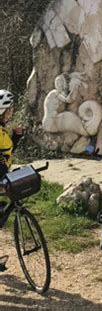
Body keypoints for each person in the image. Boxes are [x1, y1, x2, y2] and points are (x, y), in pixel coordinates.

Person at [0, 89, 23, 271]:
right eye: (9, 109)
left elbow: (7, 150)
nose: (11, 113)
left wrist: (16, 136)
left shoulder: (2, 130)